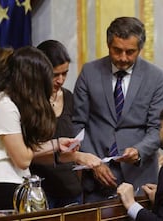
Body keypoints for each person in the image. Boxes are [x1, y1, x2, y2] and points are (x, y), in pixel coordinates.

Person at [0, 46, 82, 218]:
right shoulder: (2, 105)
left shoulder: (7, 103)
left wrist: (56, 144)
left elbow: (22, 149)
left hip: (8, 186)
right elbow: (23, 158)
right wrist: (54, 145)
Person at [73, 16, 163, 202]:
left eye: (130, 52)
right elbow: (77, 123)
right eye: (117, 50)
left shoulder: (157, 78)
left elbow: (157, 129)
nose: (123, 58)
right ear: (108, 44)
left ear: (139, 49)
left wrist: (139, 150)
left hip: (140, 179)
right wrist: (93, 162)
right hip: (96, 179)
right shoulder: (89, 72)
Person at [30, 40, 100, 208]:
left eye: (65, 73)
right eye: (55, 75)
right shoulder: (29, 102)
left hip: (70, 188)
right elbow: (26, 152)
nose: (60, 80)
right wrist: (74, 156)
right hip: (40, 190)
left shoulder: (69, 97)